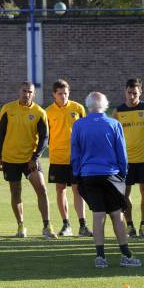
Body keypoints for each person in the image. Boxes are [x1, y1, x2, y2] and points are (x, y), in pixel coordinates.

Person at [71, 92, 141, 268]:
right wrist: (123, 174)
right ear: (106, 105)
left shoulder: (79, 125)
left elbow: (75, 153)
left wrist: (77, 173)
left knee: (98, 214)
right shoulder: (114, 124)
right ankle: (126, 255)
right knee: (117, 214)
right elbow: (121, 153)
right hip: (111, 174)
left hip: (88, 174)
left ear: (88, 105)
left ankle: (100, 257)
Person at [0, 82, 56, 239]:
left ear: (34, 94)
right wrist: (0, 157)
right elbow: (0, 133)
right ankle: (21, 226)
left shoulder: (39, 112)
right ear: (19, 92)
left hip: (30, 160)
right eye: (24, 91)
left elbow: (44, 138)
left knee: (41, 189)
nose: (26, 94)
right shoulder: (8, 109)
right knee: (15, 192)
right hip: (10, 159)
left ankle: (47, 226)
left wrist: (35, 158)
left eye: (30, 92)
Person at [46, 79, 91, 237]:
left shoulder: (78, 108)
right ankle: (66, 224)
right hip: (57, 158)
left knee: (77, 189)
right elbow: (45, 135)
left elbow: (85, 132)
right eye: (60, 94)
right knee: (60, 189)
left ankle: (83, 225)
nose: (63, 96)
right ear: (54, 94)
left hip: (76, 158)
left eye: (65, 93)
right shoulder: (48, 112)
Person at [113, 78, 144, 238]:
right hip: (125, 161)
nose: (132, 96)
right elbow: (114, 137)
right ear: (125, 91)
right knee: (124, 193)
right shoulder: (117, 112)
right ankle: (130, 225)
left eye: (135, 93)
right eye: (129, 92)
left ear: (140, 92)